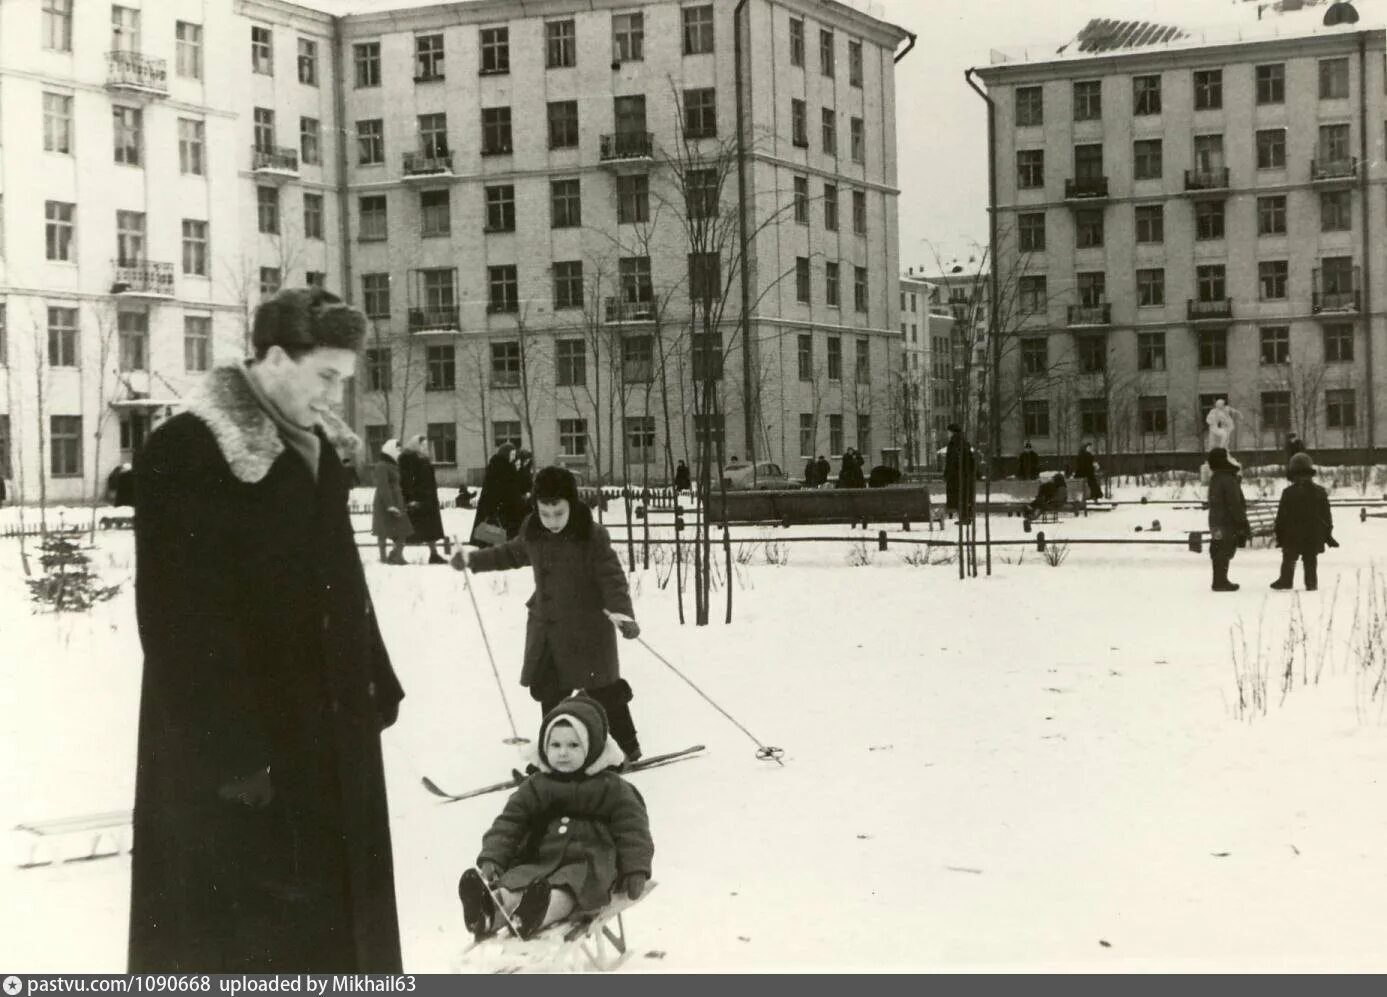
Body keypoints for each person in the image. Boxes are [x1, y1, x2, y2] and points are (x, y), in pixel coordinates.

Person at [129, 286, 405, 972]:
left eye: (343, 381)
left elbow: (342, 576)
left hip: (327, 727)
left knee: (336, 926)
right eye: (326, 377)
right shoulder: (188, 450)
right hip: (239, 748)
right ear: (276, 357)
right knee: (245, 935)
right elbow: (176, 619)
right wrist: (233, 753)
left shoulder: (316, 448)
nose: (334, 398)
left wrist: (373, 671)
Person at [453, 466, 644, 760]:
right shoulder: (533, 531)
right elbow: (510, 553)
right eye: (545, 513)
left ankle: (629, 747)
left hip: (588, 630)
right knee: (550, 694)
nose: (552, 521)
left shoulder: (591, 536)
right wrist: (473, 560)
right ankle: (551, 755)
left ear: (571, 504)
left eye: (559, 513)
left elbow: (612, 577)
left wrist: (623, 614)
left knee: (605, 692)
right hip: (548, 630)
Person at [457, 695, 653, 942]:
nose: (563, 753)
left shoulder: (612, 788)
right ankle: (486, 913)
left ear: (593, 747)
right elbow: (510, 822)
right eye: (555, 745)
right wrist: (493, 857)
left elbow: (632, 829)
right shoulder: (537, 785)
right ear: (544, 746)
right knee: (516, 882)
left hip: (589, 862)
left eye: (573, 746)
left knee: (566, 890)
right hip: (542, 857)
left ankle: (534, 915)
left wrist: (636, 868)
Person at [1271, 452, 1337, 592]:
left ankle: (1286, 580)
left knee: (1289, 557)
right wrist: (1328, 533)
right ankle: (1311, 582)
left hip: (1292, 533)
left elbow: (1281, 516)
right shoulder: (1320, 491)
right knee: (1310, 559)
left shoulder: (1288, 492)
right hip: (1313, 533)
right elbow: (1326, 515)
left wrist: (1279, 533)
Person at [1206, 446, 1250, 593]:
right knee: (1225, 548)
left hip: (1215, 521)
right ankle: (1221, 581)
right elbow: (1235, 504)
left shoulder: (1216, 478)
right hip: (1227, 522)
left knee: (1218, 548)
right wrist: (1242, 523)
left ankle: (1218, 580)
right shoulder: (1228, 479)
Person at [400, 434, 447, 564]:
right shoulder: (408, 460)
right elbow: (407, 481)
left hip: (428, 499)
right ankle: (396, 553)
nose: (425, 447)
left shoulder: (424, 459)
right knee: (409, 529)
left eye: (426, 445)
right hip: (418, 500)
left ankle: (434, 554)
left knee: (430, 529)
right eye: (422, 445)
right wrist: (411, 499)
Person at [470, 442, 520, 546]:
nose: (513, 458)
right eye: (512, 455)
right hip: (497, 505)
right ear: (506, 454)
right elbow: (504, 488)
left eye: (514, 455)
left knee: (490, 531)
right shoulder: (504, 467)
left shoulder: (496, 465)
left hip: (492, 504)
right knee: (496, 529)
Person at [372, 438, 411, 565]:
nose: (399, 451)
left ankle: (396, 555)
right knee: (382, 530)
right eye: (397, 448)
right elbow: (383, 486)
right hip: (385, 501)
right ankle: (383, 558)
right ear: (390, 449)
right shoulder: (381, 466)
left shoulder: (393, 465)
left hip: (397, 499)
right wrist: (390, 505)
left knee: (403, 529)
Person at [944, 424, 975, 522]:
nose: (947, 434)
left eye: (948, 432)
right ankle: (966, 517)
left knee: (958, 497)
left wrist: (948, 473)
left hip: (956, 476)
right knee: (964, 496)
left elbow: (952, 461)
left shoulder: (954, 443)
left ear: (952, 432)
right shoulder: (965, 442)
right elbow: (970, 460)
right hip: (964, 475)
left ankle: (963, 518)